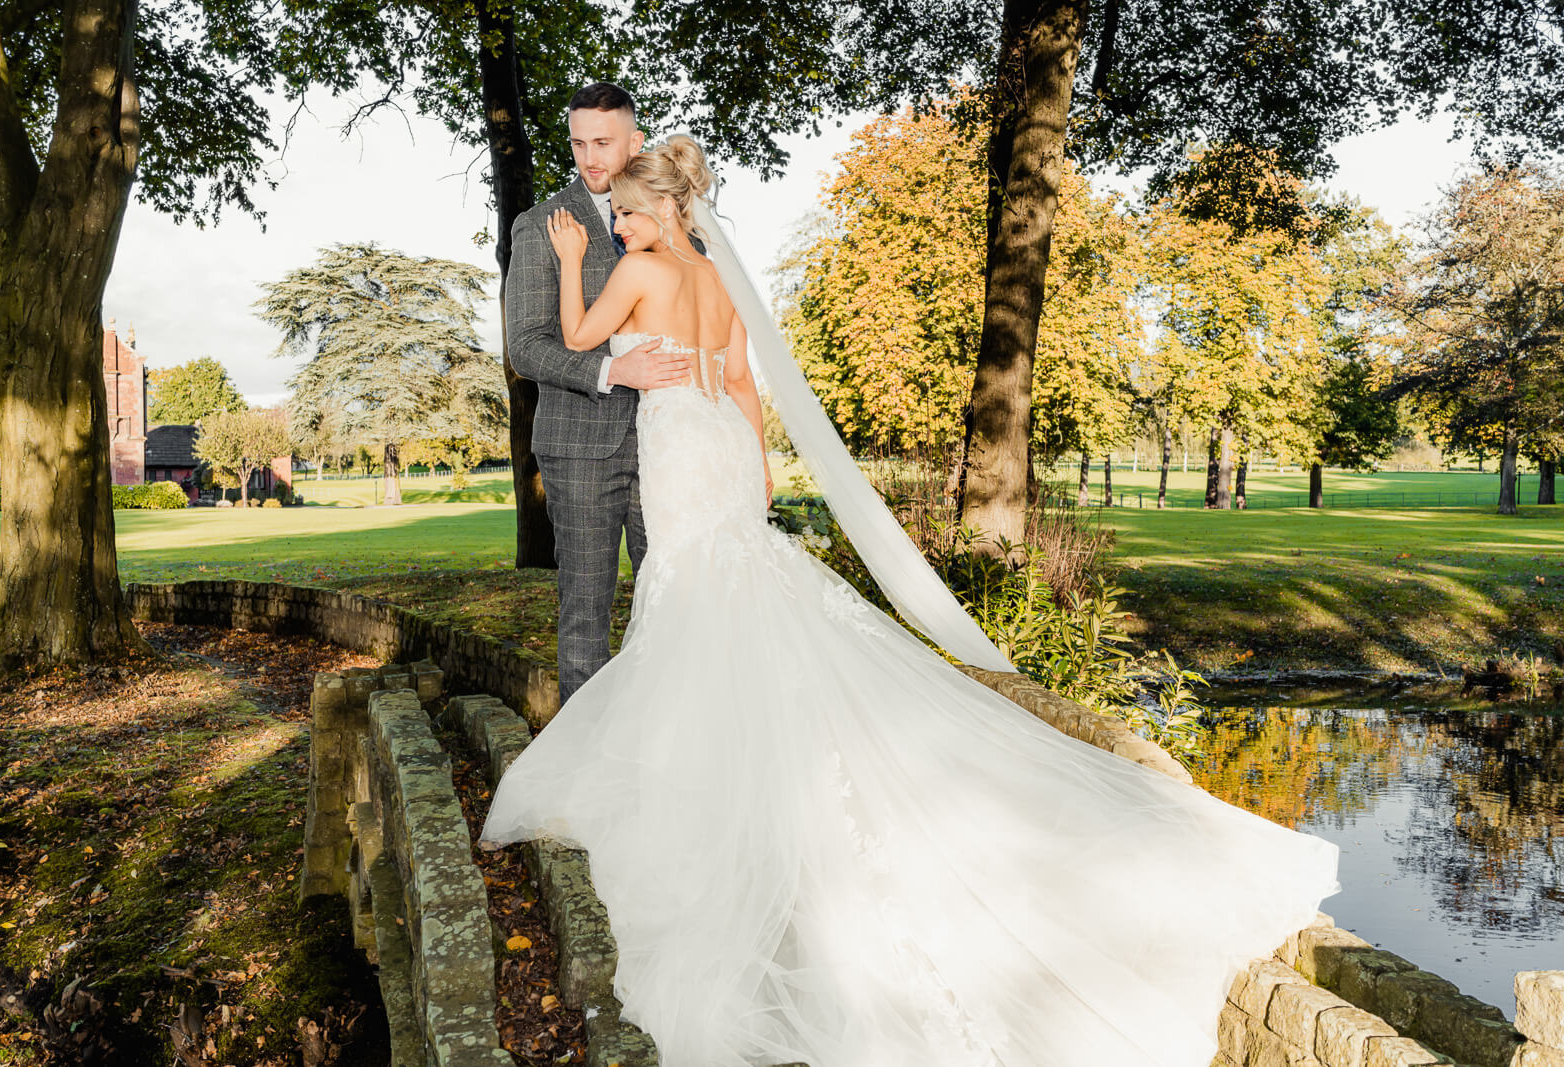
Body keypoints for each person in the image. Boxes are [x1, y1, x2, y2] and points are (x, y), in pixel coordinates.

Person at [481, 136, 1340, 1067]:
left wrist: (571, 266)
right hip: (721, 453)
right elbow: (742, 388)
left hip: (680, 458)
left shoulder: (641, 270)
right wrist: (755, 477)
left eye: (629, 216)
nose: (619, 226)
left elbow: (572, 340)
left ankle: (705, 795)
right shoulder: (719, 277)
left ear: (661, 212)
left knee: (689, 609)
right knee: (739, 599)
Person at [504, 82, 691, 704]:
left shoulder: (672, 217)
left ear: (634, 141)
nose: (590, 156)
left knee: (668, 603)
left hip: (670, 440)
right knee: (585, 612)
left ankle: (661, 745)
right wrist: (611, 373)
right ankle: (581, 780)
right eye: (579, 141)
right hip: (579, 447)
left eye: (603, 142)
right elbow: (525, 346)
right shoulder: (540, 226)